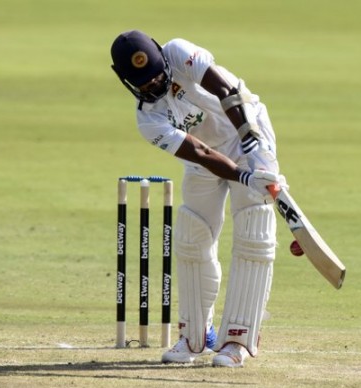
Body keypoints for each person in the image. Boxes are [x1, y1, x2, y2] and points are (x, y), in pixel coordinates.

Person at [111, 30, 284, 368]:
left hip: (246, 127)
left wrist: (252, 141)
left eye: (158, 75)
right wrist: (245, 176)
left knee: (253, 231)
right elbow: (201, 152)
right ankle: (195, 335)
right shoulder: (149, 119)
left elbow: (225, 90)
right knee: (192, 236)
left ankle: (238, 340)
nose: (155, 84)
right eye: (145, 84)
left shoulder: (179, 52)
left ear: (163, 58)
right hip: (206, 158)